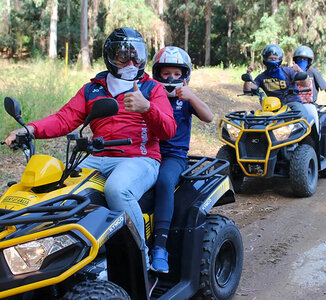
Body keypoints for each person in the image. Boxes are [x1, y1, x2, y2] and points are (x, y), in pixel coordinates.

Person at [5, 28, 176, 291]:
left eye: (136, 57)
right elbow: (64, 119)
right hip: (97, 157)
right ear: (110, 58)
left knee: (117, 189)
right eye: (123, 56)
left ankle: (140, 260)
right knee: (60, 192)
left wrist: (147, 108)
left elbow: (168, 130)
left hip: (140, 158)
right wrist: (30, 129)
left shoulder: (151, 89)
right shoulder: (92, 89)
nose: (131, 63)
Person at [150, 46, 213, 273]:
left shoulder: (185, 99)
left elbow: (209, 117)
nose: (171, 78)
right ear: (157, 74)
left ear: (185, 76)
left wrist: (191, 97)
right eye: (166, 74)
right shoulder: (151, 95)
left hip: (174, 157)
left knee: (165, 182)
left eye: (177, 74)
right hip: (147, 153)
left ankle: (160, 246)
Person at [244, 44, 308, 118]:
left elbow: (305, 84)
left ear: (279, 59)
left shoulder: (288, 71)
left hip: (292, 102)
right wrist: (248, 73)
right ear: (265, 59)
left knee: (302, 117)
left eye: (275, 58)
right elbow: (247, 90)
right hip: (271, 106)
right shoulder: (262, 77)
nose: (273, 60)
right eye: (271, 58)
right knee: (253, 120)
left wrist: (299, 70)